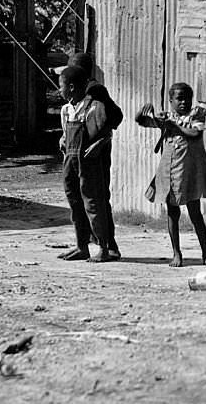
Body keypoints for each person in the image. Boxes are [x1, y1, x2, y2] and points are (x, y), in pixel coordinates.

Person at [136, 82, 206, 267]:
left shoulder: (195, 114)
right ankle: (176, 253)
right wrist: (142, 113)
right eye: (179, 99)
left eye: (187, 98)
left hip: (190, 171)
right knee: (172, 212)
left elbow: (195, 133)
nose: (184, 102)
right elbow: (142, 122)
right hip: (170, 169)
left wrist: (175, 126)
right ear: (171, 101)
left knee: (195, 212)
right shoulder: (167, 117)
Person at [66, 52, 124, 260]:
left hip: (95, 153)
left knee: (97, 197)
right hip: (80, 151)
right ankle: (86, 244)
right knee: (81, 198)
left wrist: (101, 141)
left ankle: (109, 245)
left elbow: (115, 116)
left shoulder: (95, 90)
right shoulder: (76, 97)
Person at [57, 65, 113, 263]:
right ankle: (82, 246)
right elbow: (66, 133)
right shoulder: (66, 110)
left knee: (93, 203)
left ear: (71, 87)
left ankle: (103, 247)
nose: (59, 91)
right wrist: (63, 139)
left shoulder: (94, 106)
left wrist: (98, 145)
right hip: (69, 161)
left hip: (87, 162)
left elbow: (106, 132)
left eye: (61, 86)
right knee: (74, 202)